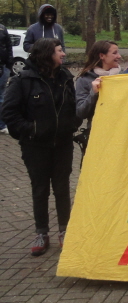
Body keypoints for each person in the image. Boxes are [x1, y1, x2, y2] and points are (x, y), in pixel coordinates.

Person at [0, 38, 80, 256]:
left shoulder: (65, 77)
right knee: (40, 189)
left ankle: (65, 230)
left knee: (63, 188)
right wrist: (31, 130)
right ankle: (41, 233)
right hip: (36, 147)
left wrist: (72, 124)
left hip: (62, 144)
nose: (63, 54)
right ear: (47, 54)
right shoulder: (23, 80)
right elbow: (8, 114)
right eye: (59, 50)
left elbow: (73, 107)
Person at [74, 40, 121, 159]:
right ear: (102, 56)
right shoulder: (84, 80)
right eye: (115, 53)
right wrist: (93, 93)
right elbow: (81, 112)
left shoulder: (123, 77)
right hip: (97, 138)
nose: (119, 56)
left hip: (121, 136)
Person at [0, 22, 13, 135]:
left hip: (3, 68)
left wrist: (9, 65)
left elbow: (9, 46)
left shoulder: (2, 28)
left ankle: (2, 125)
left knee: (2, 97)